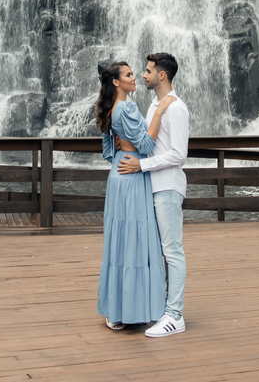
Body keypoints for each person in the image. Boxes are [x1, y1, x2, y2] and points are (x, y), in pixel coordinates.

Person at [95, 60, 175, 330]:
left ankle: (116, 310)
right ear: (116, 82)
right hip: (132, 176)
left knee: (120, 242)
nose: (135, 78)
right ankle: (133, 308)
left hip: (119, 173)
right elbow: (145, 144)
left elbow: (109, 152)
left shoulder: (110, 108)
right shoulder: (126, 108)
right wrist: (159, 112)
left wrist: (123, 148)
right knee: (135, 241)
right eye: (128, 75)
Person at [118, 52, 189, 338]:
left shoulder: (176, 108)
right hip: (152, 187)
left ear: (162, 75)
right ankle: (163, 309)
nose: (143, 75)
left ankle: (175, 316)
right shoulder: (154, 106)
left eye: (148, 71)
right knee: (160, 251)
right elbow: (147, 143)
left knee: (172, 251)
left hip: (168, 187)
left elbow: (179, 154)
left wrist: (141, 165)